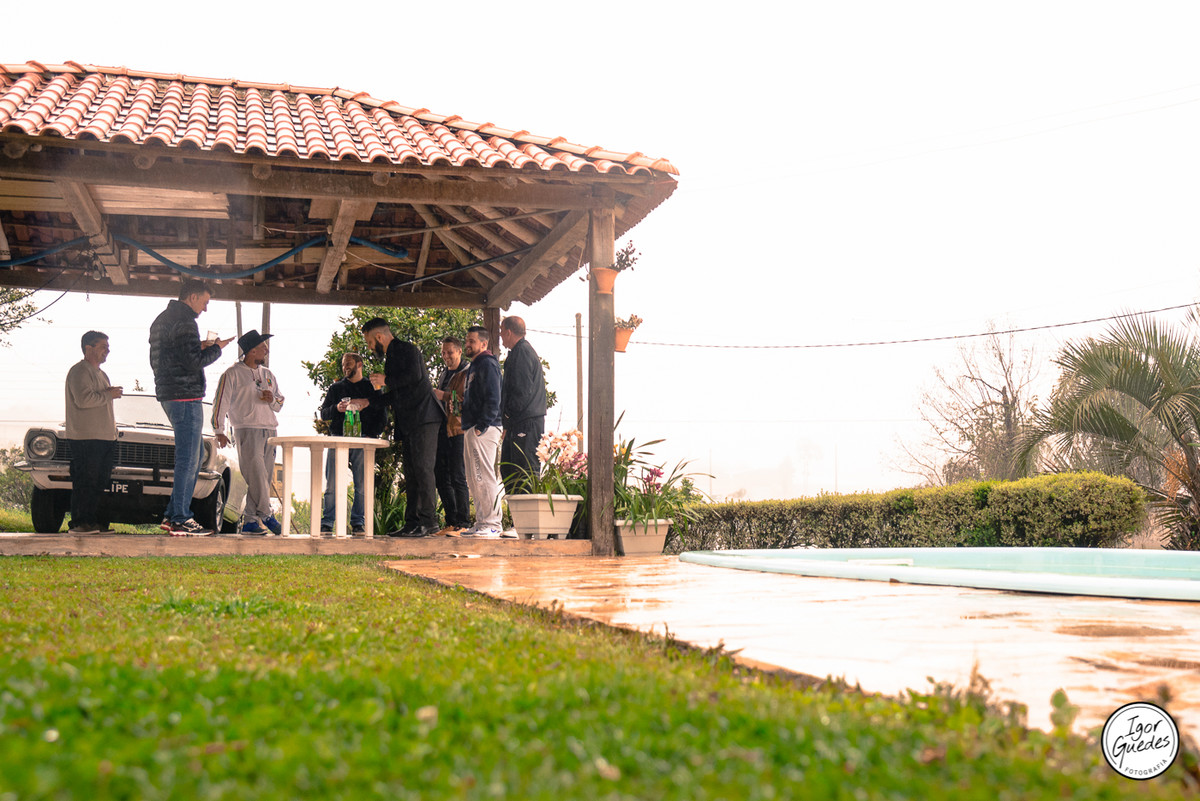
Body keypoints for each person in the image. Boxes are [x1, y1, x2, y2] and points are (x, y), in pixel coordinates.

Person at [149, 279, 233, 536]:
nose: (205, 308)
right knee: (188, 459)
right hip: (185, 396)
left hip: (169, 393)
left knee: (194, 455)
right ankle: (180, 518)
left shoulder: (162, 319)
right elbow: (193, 362)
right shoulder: (186, 322)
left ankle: (172, 514)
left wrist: (199, 346)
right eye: (205, 302)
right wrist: (216, 349)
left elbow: (171, 356)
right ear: (193, 296)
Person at [363, 317, 444, 538]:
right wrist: (368, 402)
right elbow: (397, 394)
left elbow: (415, 377)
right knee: (411, 473)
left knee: (423, 470)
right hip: (409, 421)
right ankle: (412, 523)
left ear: (379, 337)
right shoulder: (391, 356)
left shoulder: (408, 349)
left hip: (425, 417)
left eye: (370, 342)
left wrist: (386, 380)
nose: (370, 348)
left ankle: (429, 523)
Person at [211, 330, 285, 535]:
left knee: (263, 476)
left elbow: (280, 402)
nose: (266, 350)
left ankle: (251, 521)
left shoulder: (268, 374)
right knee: (256, 474)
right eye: (263, 347)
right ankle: (266, 514)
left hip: (270, 430)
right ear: (252, 351)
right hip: (246, 429)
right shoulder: (232, 374)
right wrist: (219, 430)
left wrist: (272, 399)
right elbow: (220, 402)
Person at [318, 352, 385, 536]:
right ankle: (327, 523)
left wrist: (371, 435)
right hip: (338, 438)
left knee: (361, 484)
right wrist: (336, 408)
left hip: (363, 440)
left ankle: (358, 523)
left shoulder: (371, 388)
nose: (345, 367)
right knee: (332, 484)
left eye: (348, 363)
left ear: (359, 365)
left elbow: (382, 414)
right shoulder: (336, 388)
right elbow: (323, 413)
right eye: (343, 364)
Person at [64, 331, 123, 535]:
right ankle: (79, 523)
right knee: (85, 481)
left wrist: (108, 395)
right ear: (88, 348)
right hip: (85, 437)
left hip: (105, 437)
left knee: (99, 482)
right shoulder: (79, 371)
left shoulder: (102, 374)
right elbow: (83, 400)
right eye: (103, 346)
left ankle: (92, 522)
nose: (107, 350)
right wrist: (108, 394)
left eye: (108, 347)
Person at [459, 325, 511, 538]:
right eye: (467, 340)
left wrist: (482, 426)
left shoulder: (488, 363)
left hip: (484, 429)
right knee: (473, 478)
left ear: (483, 343)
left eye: (471, 341)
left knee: (484, 476)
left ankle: (493, 524)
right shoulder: (475, 365)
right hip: (472, 428)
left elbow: (494, 397)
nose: (467, 344)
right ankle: (482, 522)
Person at [499, 316, 546, 493]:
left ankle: (528, 510)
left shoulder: (523, 353)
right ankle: (517, 510)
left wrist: (507, 417)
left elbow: (521, 391)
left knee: (524, 471)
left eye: (501, 331)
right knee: (509, 469)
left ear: (508, 332)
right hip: (518, 422)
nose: (500, 336)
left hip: (526, 422)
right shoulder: (518, 352)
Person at [431, 336, 471, 535]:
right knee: (441, 476)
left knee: (458, 476)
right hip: (442, 429)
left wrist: (442, 395)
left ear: (460, 351)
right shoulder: (444, 373)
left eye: (450, 352)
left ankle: (463, 523)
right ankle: (451, 521)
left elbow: (466, 400)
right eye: (443, 353)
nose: (446, 356)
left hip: (458, 430)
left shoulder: (467, 372)